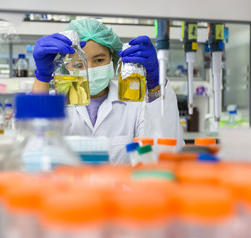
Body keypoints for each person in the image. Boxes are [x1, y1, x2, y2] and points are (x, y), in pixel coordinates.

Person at [32, 18, 183, 163]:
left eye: (98, 60)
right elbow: (33, 151)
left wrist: (155, 85)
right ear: (66, 65)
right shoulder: (52, 103)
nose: (89, 69)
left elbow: (164, 153)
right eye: (79, 64)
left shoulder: (134, 103)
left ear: (113, 58)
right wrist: (42, 78)